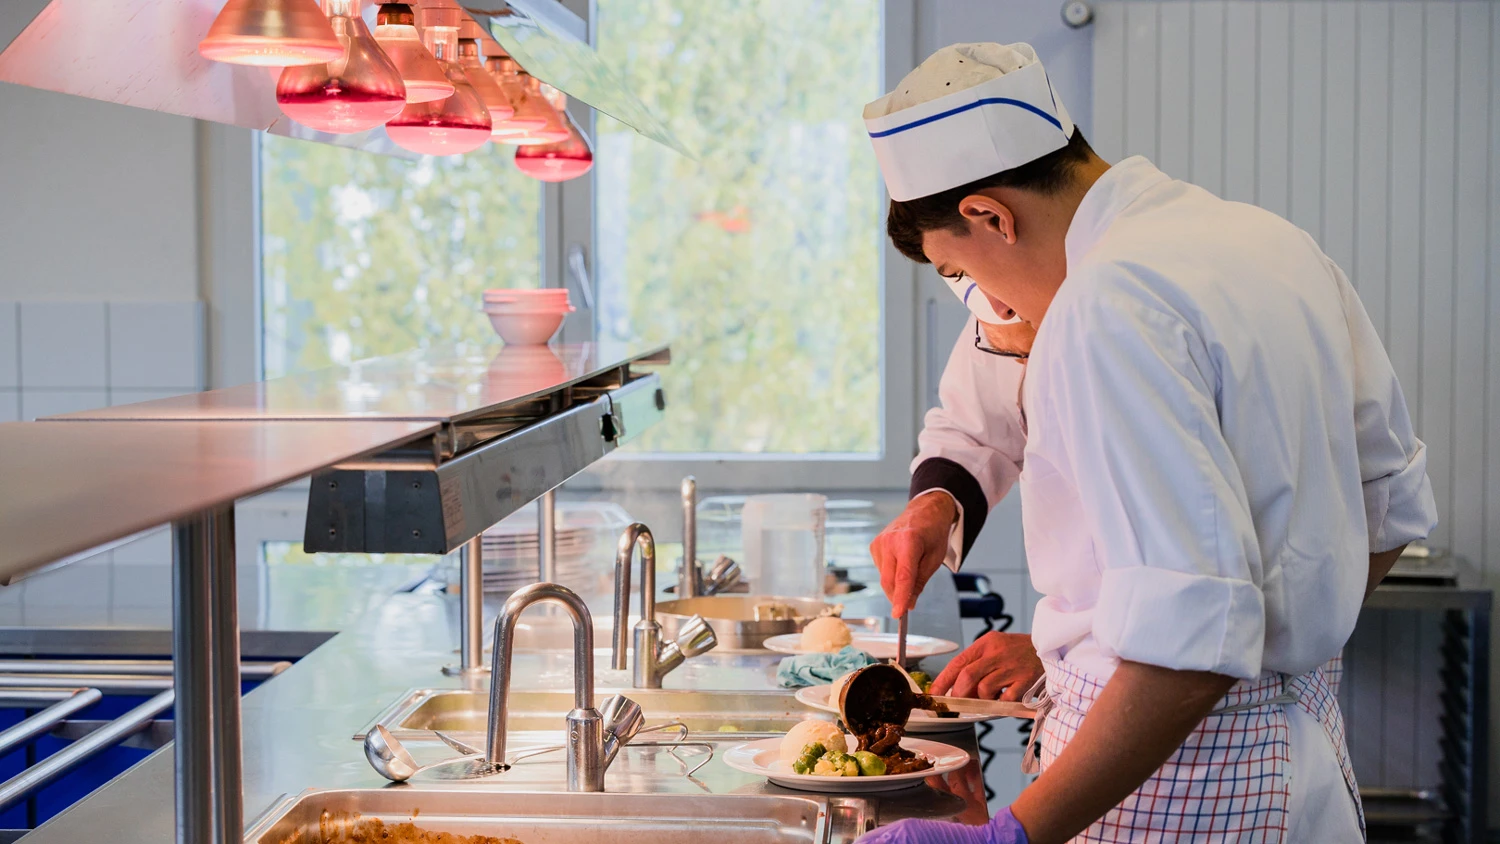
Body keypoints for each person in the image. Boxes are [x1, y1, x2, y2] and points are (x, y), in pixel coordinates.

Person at [857, 42, 1436, 844]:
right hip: (1306, 765)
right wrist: (1269, 642)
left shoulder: (1108, 302)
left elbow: (1187, 653)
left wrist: (1012, 836)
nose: (989, 307)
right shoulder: (1272, 243)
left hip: (1167, 784)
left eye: (963, 269)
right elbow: (1390, 508)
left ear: (992, 215)